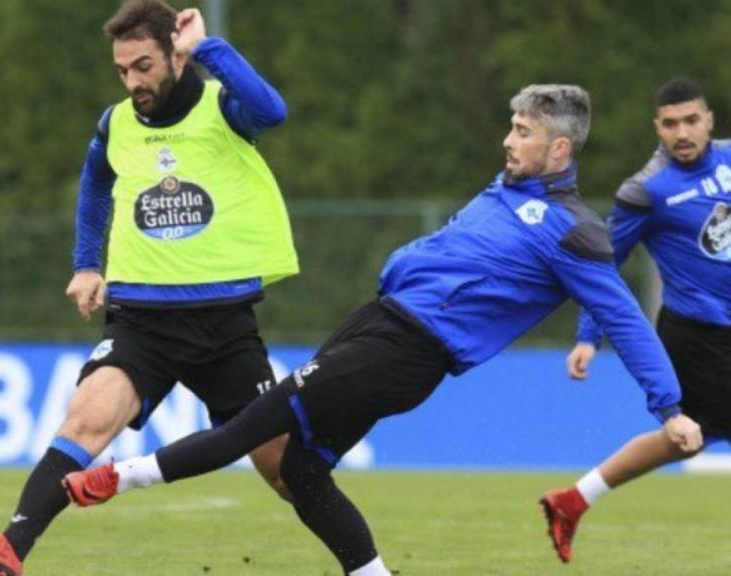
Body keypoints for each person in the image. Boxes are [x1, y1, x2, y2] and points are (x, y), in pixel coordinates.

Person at [60, 84, 705, 576]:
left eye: (523, 131)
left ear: (558, 149)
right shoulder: (507, 187)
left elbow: (624, 315)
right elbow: (454, 250)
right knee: (302, 473)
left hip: (407, 350)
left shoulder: (574, 231)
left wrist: (669, 406)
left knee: (257, 422)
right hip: (377, 322)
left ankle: (119, 476)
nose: (508, 140)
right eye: (511, 126)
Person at [0, 1, 299, 573]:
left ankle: (367, 563)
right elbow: (94, 187)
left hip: (223, 322)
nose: (133, 82)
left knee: (288, 473)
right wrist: (87, 264)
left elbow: (273, 111)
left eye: (144, 66)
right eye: (122, 71)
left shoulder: (223, 108)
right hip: (142, 319)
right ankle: (10, 549)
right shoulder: (115, 124)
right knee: (85, 419)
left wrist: (207, 49)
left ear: (174, 58)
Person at [540, 77, 731, 564]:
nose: (682, 132)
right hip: (699, 335)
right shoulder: (647, 191)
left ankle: (573, 500)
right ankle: (573, 500)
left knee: (682, 441)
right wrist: (588, 336)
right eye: (671, 124)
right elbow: (601, 265)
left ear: (709, 120)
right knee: (686, 437)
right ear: (657, 128)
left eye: (691, 120)